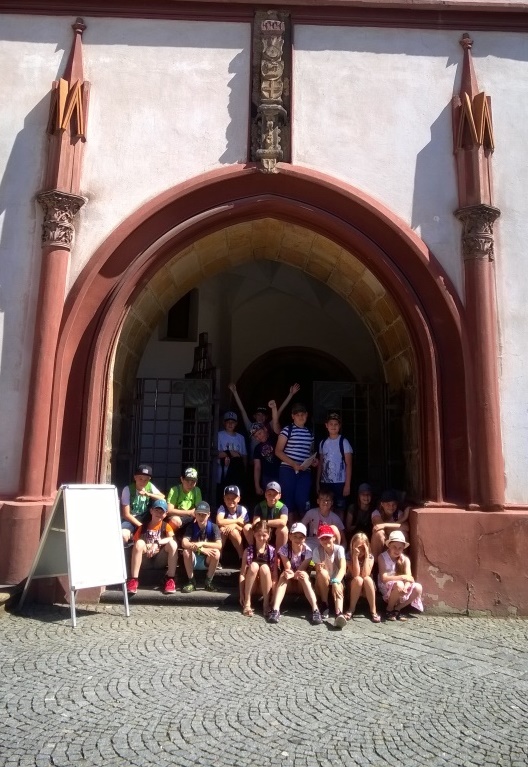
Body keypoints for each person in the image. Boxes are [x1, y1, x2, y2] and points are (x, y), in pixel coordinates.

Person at [268, 522, 322, 625]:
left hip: (301, 584)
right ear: (290, 536)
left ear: (304, 538)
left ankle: (315, 610)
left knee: (304, 575)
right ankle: (275, 609)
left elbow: (300, 570)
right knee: (284, 575)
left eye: (301, 537)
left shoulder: (308, 552)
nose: (298, 539)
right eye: (295, 536)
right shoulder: (284, 549)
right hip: (289, 583)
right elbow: (288, 568)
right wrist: (290, 573)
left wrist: (295, 574)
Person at [126, 499, 178, 596]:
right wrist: (149, 546)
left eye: (161, 511)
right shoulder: (143, 527)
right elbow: (135, 544)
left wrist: (157, 543)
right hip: (145, 558)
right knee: (139, 543)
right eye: (156, 510)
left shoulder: (166, 526)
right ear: (151, 511)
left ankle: (170, 579)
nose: (158, 513)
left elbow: (172, 539)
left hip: (160, 559)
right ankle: (134, 580)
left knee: (173, 544)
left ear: (165, 514)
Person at [275, 402, 316, 520]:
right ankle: (290, 529)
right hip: (288, 469)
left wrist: (314, 461)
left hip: (304, 470)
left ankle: (304, 528)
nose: (300, 417)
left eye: (303, 414)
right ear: (293, 416)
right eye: (297, 415)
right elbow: (278, 451)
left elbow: (310, 452)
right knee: (288, 500)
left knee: (303, 500)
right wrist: (293, 464)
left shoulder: (310, 433)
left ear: (306, 415)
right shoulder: (287, 430)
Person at [228, 382, 301, 446]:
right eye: (258, 414)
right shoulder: (250, 426)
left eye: (263, 415)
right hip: (254, 457)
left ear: (266, 417)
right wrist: (235, 392)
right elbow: (242, 410)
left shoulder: (269, 426)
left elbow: (279, 411)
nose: (261, 417)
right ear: (254, 416)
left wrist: (290, 394)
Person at [377, 530, 423, 620]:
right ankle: (389, 609)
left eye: (400, 548)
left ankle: (398, 608)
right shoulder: (382, 557)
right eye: (394, 547)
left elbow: (409, 578)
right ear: (389, 545)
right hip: (387, 584)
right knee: (399, 584)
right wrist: (402, 577)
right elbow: (384, 578)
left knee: (418, 587)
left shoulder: (405, 559)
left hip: (402, 585)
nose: (397, 550)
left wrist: (406, 587)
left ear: (403, 549)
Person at [316, 411, 353, 517]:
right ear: (326, 425)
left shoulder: (344, 442)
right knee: (326, 507)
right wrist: (317, 482)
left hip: (340, 482)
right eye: (331, 424)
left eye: (336, 424)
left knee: (340, 508)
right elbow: (320, 464)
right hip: (325, 482)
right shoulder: (322, 443)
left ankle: (339, 527)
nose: (333, 426)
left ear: (339, 426)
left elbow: (349, 464)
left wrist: (347, 485)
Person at [181, 501, 222, 593]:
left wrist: (202, 543)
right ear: (195, 514)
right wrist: (201, 549)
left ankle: (208, 582)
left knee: (216, 553)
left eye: (204, 515)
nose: (201, 517)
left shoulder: (214, 527)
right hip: (193, 559)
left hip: (207, 560)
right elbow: (184, 543)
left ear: (208, 515)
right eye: (199, 514)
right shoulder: (191, 526)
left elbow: (219, 545)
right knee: (186, 551)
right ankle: (191, 582)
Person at [239, 520, 277, 617]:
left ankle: (266, 604)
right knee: (254, 566)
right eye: (258, 535)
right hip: (252, 585)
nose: (261, 538)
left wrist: (274, 594)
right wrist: (241, 593)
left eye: (264, 535)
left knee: (265, 567)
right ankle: (247, 603)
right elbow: (242, 574)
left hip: (265, 586)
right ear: (254, 534)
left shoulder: (272, 551)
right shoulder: (248, 551)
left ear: (269, 535)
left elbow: (274, 576)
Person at [311, 524, 347, 629]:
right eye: (322, 538)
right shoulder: (317, 551)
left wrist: (336, 581)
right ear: (319, 540)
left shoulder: (339, 549)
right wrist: (318, 568)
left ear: (334, 538)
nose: (325, 540)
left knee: (338, 585)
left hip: (337, 578)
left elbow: (343, 568)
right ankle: (324, 603)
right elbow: (318, 571)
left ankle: (338, 613)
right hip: (323, 581)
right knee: (323, 573)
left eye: (328, 537)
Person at [120, 464, 165, 544]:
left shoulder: (150, 486)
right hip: (131, 519)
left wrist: (148, 494)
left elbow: (162, 498)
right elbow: (126, 514)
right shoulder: (128, 489)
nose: (143, 482)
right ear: (135, 477)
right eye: (140, 478)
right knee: (123, 535)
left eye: (146, 480)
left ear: (149, 479)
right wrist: (140, 526)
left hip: (145, 517)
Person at [345, 532, 380, 623]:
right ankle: (351, 608)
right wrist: (355, 557)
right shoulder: (348, 556)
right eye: (357, 547)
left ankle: (373, 610)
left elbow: (365, 574)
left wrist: (367, 556)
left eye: (362, 547)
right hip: (353, 586)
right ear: (352, 546)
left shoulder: (370, 557)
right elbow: (355, 574)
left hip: (366, 587)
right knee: (358, 579)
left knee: (367, 579)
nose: (360, 550)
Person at [370, 489, 410, 560]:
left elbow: (406, 527)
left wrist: (385, 525)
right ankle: (375, 562)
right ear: (382, 504)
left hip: (394, 543)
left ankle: (400, 561)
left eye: (394, 504)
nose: (391, 507)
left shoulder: (398, 513)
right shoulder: (376, 513)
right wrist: (402, 520)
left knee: (404, 534)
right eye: (388, 504)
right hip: (383, 543)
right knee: (379, 533)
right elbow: (378, 527)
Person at [217, 411, 247, 501]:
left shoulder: (240, 438)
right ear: (224, 423)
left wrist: (244, 470)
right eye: (228, 422)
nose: (230, 424)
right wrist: (230, 453)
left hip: (236, 470)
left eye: (233, 422)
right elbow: (216, 454)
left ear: (236, 424)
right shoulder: (219, 435)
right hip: (222, 470)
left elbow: (244, 456)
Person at [216, 484, 251, 559]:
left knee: (234, 532)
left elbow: (244, 528)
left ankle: (241, 558)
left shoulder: (242, 510)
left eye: (233, 498)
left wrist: (234, 526)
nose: (230, 501)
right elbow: (219, 521)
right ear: (224, 499)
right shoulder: (222, 508)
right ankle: (218, 558)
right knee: (222, 530)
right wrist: (236, 521)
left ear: (238, 499)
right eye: (228, 498)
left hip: (238, 534)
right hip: (224, 533)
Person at [252, 481, 288, 551]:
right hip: (263, 533)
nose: (272, 497)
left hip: (276, 534)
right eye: (269, 494)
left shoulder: (283, 507)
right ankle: (254, 551)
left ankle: (279, 554)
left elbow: (283, 522)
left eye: (275, 494)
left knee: (284, 529)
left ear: (279, 496)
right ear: (265, 495)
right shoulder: (259, 506)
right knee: (248, 528)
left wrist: (264, 522)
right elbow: (256, 523)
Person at [166, 467, 202, 532]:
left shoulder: (197, 491)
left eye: (193, 481)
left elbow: (199, 508)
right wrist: (189, 512)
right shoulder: (174, 490)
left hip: (191, 517)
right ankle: (171, 536)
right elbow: (169, 511)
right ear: (182, 479)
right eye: (187, 480)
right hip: (177, 516)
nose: (190, 484)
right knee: (175, 521)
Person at [252, 420, 281, 495]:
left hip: (282, 474)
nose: (259, 437)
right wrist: (257, 486)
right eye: (256, 436)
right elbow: (257, 467)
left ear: (265, 429)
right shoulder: (257, 448)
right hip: (267, 477)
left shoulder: (276, 438)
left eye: (259, 433)